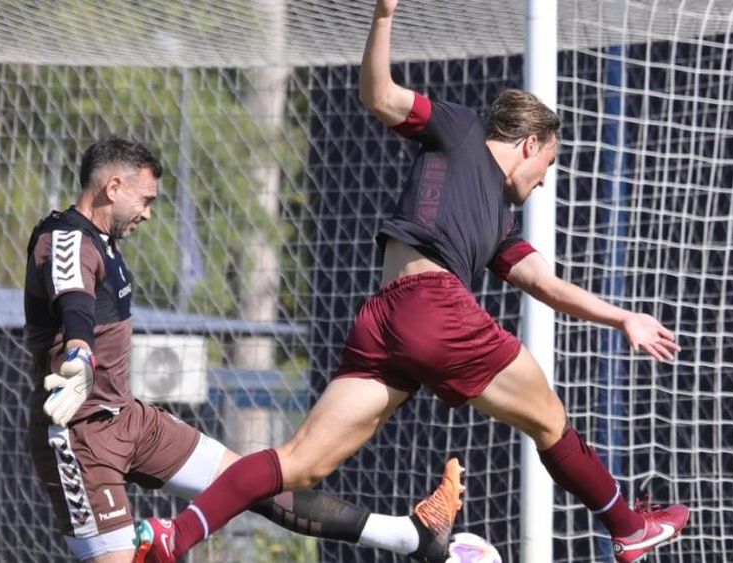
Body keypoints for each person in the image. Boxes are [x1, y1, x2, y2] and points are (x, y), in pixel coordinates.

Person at [132, 1, 691, 562]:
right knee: (549, 418)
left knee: (301, 461)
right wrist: (382, 17)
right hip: (433, 307)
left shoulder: (498, 220)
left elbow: (544, 282)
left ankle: (173, 539)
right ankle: (628, 526)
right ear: (530, 144)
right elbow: (380, 95)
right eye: (548, 164)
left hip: (384, 323)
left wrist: (620, 316)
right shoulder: (462, 129)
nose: (544, 181)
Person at [24, 136, 467, 563]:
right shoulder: (66, 238)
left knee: (250, 484)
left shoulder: (104, 241)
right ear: (112, 187)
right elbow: (74, 302)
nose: (149, 214)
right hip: (81, 435)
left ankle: (410, 535)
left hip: (130, 420)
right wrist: (79, 353)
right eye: (146, 200)